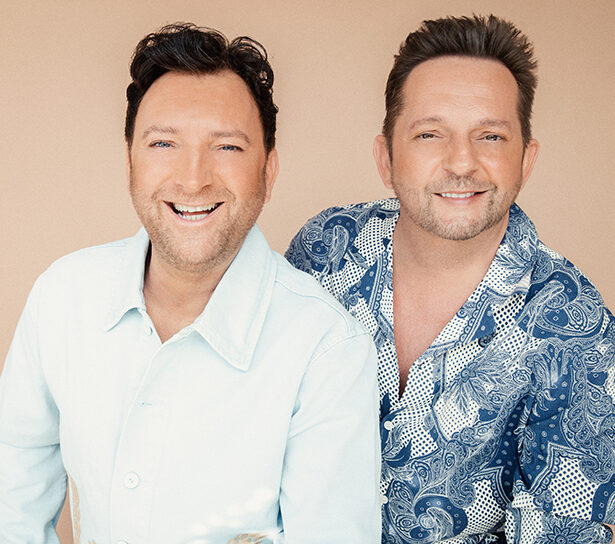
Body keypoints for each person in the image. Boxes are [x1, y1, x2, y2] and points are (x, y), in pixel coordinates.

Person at [0, 23, 381, 544]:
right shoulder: (63, 297)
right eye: (163, 143)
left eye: (227, 147)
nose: (193, 178)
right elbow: (11, 500)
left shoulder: (326, 346)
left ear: (268, 171)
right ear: (130, 162)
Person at [286, 14, 615, 544]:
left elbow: (564, 533)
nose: (462, 163)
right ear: (386, 158)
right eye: (429, 134)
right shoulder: (325, 248)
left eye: (490, 136)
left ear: (526, 160)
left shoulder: (578, 332)